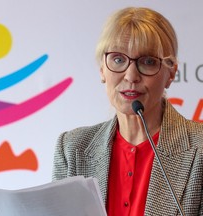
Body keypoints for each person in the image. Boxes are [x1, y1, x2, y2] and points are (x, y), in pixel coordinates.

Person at [52, 7, 203, 216]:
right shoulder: (72, 148)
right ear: (102, 70)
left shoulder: (200, 148)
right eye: (118, 59)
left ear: (171, 74)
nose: (131, 76)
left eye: (148, 62)